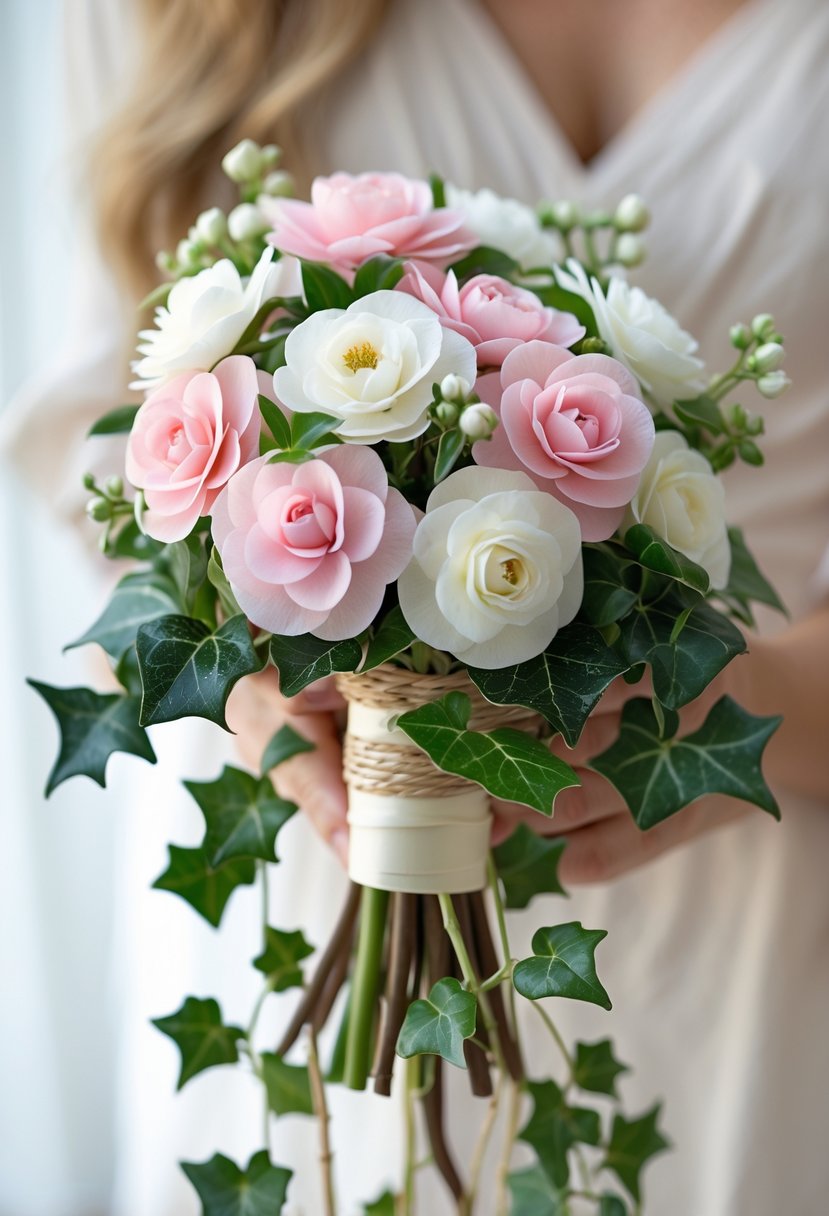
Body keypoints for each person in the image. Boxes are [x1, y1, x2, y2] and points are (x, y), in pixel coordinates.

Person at [4, 0, 828, 1212]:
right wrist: (252, 674)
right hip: (295, 902)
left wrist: (741, 709)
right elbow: (104, 437)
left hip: (749, 902)